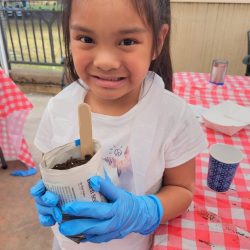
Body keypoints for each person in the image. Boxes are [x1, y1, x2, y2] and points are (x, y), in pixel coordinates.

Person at [30, 0, 207, 250]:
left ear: (157, 41)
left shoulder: (172, 116)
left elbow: (182, 189)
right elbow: (48, 174)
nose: (105, 62)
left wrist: (144, 211)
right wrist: (49, 198)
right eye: (86, 38)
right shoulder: (58, 109)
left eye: (127, 41)